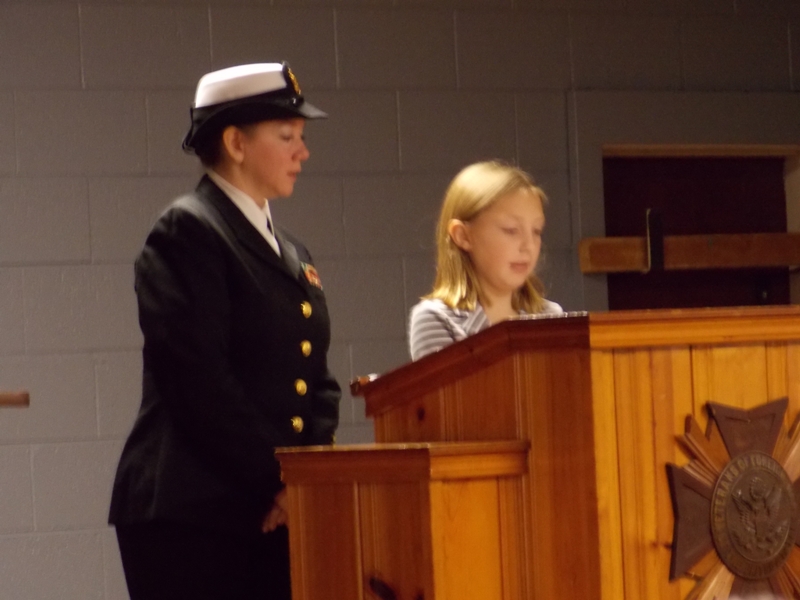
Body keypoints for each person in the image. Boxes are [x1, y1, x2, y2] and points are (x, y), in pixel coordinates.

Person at [108, 62, 340, 600]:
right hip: (193, 512)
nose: (302, 152)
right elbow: (199, 383)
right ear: (236, 143)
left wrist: (304, 480)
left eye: (301, 137)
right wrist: (281, 480)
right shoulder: (188, 230)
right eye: (287, 136)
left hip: (270, 507)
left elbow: (317, 379)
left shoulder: (292, 250)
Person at [409, 161, 563, 361]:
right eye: (511, 230)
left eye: (536, 231)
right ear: (463, 236)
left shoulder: (551, 316)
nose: (528, 245)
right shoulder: (437, 319)